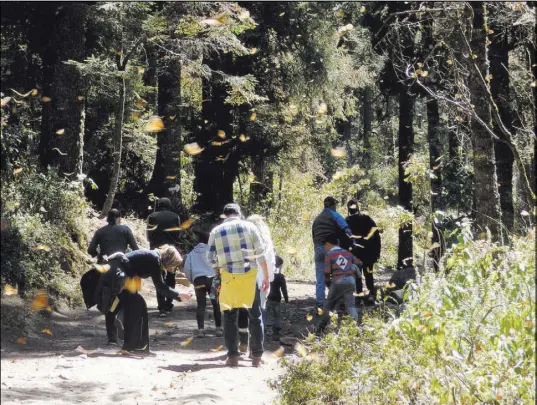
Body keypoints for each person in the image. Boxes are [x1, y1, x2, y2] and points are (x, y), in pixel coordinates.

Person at [81, 245, 191, 354]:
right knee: (134, 305)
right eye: (173, 266)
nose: (172, 269)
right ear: (170, 261)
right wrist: (179, 294)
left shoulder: (154, 257)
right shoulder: (155, 260)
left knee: (120, 305)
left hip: (116, 274)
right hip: (116, 276)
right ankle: (132, 344)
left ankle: (122, 340)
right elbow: (160, 286)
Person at [207, 203, 269, 367]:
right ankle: (256, 357)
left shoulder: (216, 231)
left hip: (229, 278)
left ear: (224, 215)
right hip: (249, 277)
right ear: (239, 213)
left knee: (229, 316)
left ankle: (233, 355)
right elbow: (260, 254)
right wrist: (266, 277)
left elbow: (210, 257)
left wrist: (218, 269)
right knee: (255, 315)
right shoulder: (250, 227)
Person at [235, 215, 277, 353]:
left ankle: (243, 341)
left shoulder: (243, 239)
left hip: (245, 279)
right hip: (261, 281)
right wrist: (268, 279)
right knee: (258, 316)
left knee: (243, 310)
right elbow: (270, 262)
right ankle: (256, 348)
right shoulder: (266, 242)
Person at [311, 196, 354, 309]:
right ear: (332, 205)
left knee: (320, 279)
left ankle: (319, 304)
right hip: (331, 248)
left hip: (318, 249)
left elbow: (313, 236)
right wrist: (353, 241)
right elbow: (345, 228)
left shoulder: (317, 219)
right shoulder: (334, 215)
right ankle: (341, 303)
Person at [316, 236, 362, 334]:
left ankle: (320, 329)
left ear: (328, 244)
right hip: (350, 281)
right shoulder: (347, 253)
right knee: (351, 306)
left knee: (328, 306)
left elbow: (327, 273)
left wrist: (329, 285)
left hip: (337, 281)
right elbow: (359, 262)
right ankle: (357, 329)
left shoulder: (329, 255)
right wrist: (353, 268)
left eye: (325, 246)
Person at [341, 199, 381, 304]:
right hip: (368, 253)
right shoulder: (366, 219)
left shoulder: (346, 222)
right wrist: (377, 253)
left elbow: (343, 240)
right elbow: (376, 236)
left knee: (357, 276)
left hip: (356, 254)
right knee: (368, 275)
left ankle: (360, 297)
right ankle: (370, 295)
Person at [183, 230, 223, 338]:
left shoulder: (192, 253)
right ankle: (218, 328)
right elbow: (219, 264)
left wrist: (192, 279)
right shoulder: (212, 251)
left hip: (198, 280)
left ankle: (201, 330)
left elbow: (187, 269)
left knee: (201, 305)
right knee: (216, 303)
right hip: (213, 280)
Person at [147, 197, 182, 317]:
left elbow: (149, 235)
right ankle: (169, 302)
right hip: (171, 250)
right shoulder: (175, 216)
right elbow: (178, 234)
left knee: (159, 277)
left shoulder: (152, 216)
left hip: (156, 251)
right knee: (171, 276)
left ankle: (161, 306)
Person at [265, 255, 288, 341]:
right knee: (277, 316)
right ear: (279, 265)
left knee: (265, 315)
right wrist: (286, 299)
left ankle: (262, 331)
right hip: (277, 299)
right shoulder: (281, 276)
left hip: (268, 298)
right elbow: (284, 289)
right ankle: (276, 334)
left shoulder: (267, 274)